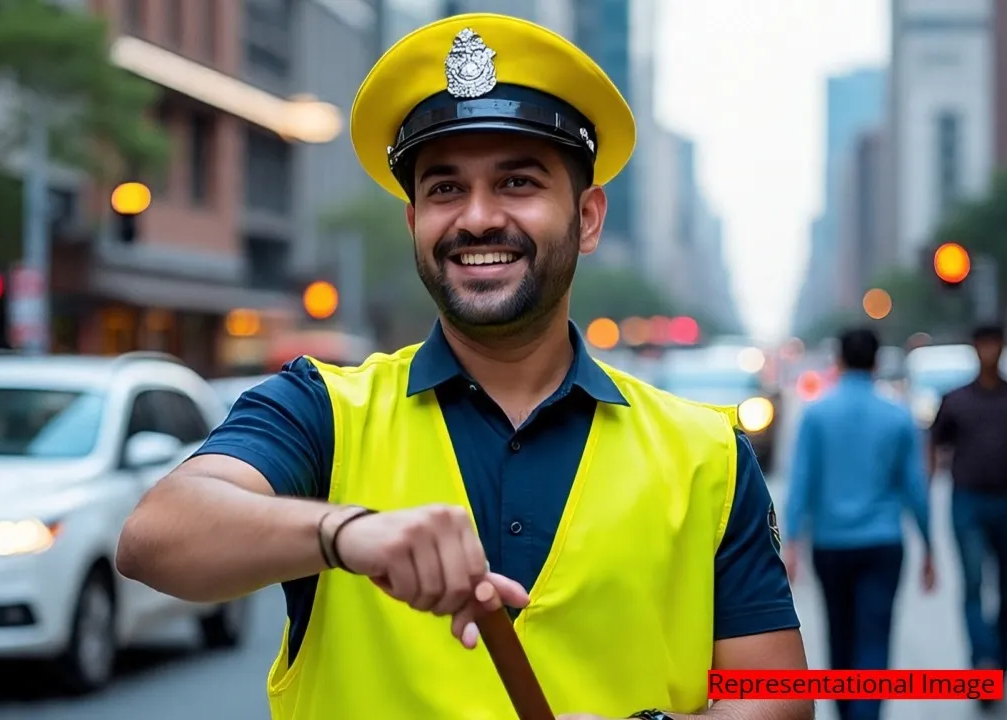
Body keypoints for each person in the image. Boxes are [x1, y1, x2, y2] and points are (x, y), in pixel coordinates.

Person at [117, 14, 811, 720]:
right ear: (413, 220)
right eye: (444, 189)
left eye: (517, 182)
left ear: (589, 217)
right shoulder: (322, 407)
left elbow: (781, 696)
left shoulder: (708, 455)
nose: (476, 218)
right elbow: (155, 536)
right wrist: (345, 534)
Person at [783, 327, 934, 720]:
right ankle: (866, 712)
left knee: (840, 631)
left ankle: (848, 708)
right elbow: (915, 488)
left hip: (831, 544)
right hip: (883, 542)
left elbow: (801, 482)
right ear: (877, 362)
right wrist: (930, 545)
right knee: (874, 635)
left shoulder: (816, 414)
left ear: (840, 360)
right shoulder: (898, 415)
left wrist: (791, 542)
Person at [929, 324, 1007, 687]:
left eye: (995, 344)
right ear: (975, 348)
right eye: (983, 344)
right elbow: (934, 442)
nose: (989, 351)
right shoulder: (956, 400)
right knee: (972, 582)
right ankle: (983, 658)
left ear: (1002, 348)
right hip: (967, 501)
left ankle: (1001, 660)